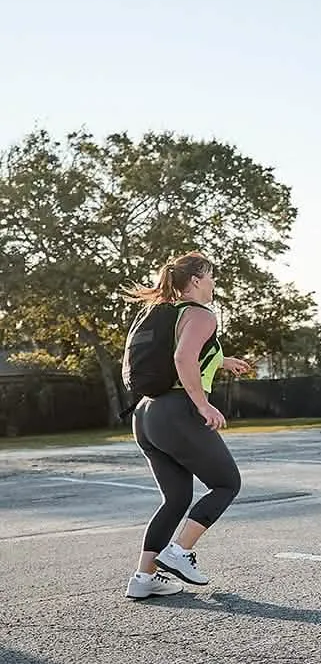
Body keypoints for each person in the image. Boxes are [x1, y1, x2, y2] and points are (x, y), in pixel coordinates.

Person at [121, 252, 250, 598]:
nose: (213, 284)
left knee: (176, 498)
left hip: (146, 416)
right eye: (210, 277)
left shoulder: (164, 313)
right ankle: (179, 552)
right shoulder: (201, 315)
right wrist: (203, 403)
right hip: (177, 412)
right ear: (195, 280)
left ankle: (144, 578)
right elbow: (183, 358)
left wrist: (223, 361)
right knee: (226, 483)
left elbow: (182, 353)